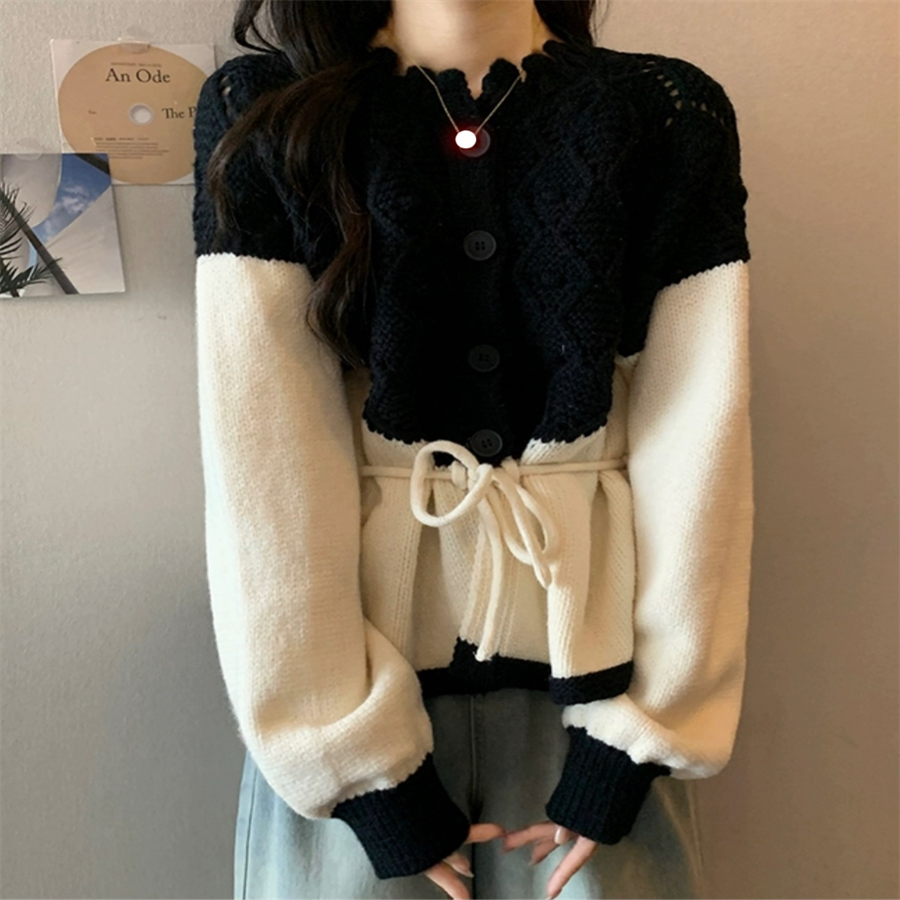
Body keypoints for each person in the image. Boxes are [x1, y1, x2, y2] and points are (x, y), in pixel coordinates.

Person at [191, 0, 754, 897]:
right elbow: (263, 463)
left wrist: (640, 736)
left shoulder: (663, 113)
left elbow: (701, 439)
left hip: (601, 693)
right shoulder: (271, 110)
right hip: (349, 690)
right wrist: (352, 762)